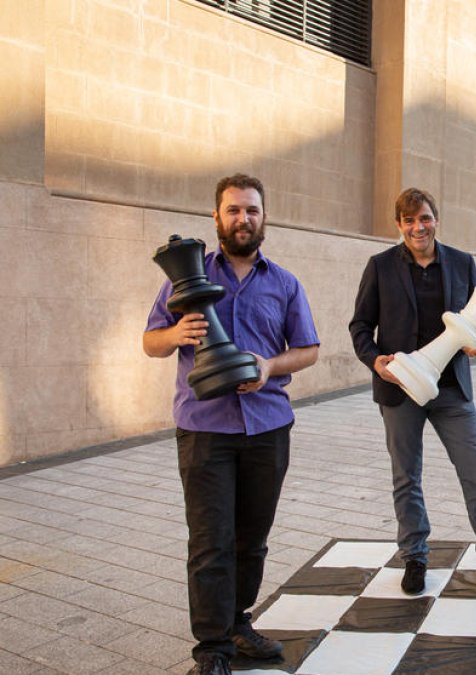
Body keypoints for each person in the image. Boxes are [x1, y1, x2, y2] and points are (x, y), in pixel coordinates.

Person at [143, 174, 320, 675]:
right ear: (217, 217)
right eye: (235, 210)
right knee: (209, 542)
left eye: (252, 211)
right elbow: (150, 341)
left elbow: (307, 350)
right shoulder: (186, 275)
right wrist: (176, 331)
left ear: (264, 218)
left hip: (267, 426)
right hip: (204, 429)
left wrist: (268, 367)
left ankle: (239, 624)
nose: (244, 219)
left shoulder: (284, 283)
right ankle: (213, 649)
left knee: (252, 538)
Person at [348, 188, 476, 595]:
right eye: (408, 221)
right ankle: (415, 558)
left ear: (435, 219)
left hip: (451, 389)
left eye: (424, 218)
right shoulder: (380, 266)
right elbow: (359, 327)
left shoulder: (461, 263)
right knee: (407, 476)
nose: (417, 227)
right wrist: (376, 363)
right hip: (400, 387)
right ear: (399, 225)